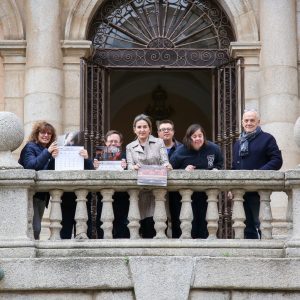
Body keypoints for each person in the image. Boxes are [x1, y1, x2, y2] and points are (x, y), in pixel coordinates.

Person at [232, 109, 283, 239]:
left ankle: (267, 254)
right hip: (241, 192)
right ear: (242, 122)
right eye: (246, 120)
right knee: (246, 227)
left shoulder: (267, 139)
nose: (249, 123)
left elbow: (277, 160)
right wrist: (231, 187)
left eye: (252, 120)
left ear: (258, 122)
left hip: (259, 191)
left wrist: (259, 173)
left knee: (261, 224)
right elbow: (234, 166)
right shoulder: (238, 143)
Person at [170, 124, 223, 238]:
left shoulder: (214, 148)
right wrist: (183, 170)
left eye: (200, 135)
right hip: (184, 196)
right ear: (189, 138)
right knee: (188, 224)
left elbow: (219, 163)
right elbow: (170, 169)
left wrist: (216, 169)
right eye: (194, 136)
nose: (198, 138)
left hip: (206, 195)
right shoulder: (180, 151)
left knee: (204, 221)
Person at [126, 114, 172, 238]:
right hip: (141, 193)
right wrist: (133, 167)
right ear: (134, 129)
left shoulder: (159, 142)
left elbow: (164, 161)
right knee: (146, 229)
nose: (142, 130)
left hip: (158, 190)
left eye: (145, 127)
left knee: (160, 228)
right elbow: (129, 165)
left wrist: (168, 165)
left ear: (150, 129)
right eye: (139, 127)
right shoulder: (129, 147)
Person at [19, 121, 58, 239]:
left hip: (42, 195)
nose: (46, 135)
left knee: (37, 228)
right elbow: (31, 165)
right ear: (37, 134)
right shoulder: (30, 147)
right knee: (35, 228)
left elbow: (50, 171)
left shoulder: (48, 151)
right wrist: (48, 152)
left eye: (49, 134)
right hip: (31, 194)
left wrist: (55, 158)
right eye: (43, 132)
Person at [92, 130, 130, 239]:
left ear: (120, 143)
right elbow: (91, 175)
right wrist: (94, 167)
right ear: (105, 142)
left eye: (116, 141)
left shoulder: (126, 156)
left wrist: (126, 167)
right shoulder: (98, 157)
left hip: (122, 196)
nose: (113, 143)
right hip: (103, 196)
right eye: (110, 141)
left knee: (122, 225)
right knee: (103, 225)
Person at [157, 119, 182, 238]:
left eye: (169, 129)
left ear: (173, 132)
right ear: (158, 133)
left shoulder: (182, 148)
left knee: (178, 218)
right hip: (157, 188)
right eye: (163, 129)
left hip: (177, 191)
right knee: (158, 219)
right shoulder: (152, 148)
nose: (166, 131)